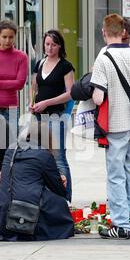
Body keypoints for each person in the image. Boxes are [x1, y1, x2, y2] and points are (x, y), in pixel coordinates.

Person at [90, 13, 130, 239]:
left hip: (115, 125)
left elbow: (98, 98)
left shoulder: (103, 59)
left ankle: (120, 225)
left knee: (116, 175)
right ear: (124, 32)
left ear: (104, 32)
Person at [0, 121, 74, 242]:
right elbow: (58, 189)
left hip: (4, 210)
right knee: (59, 202)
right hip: (27, 210)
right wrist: (62, 181)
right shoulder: (44, 155)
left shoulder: (11, 150)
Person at [29, 30, 74, 201]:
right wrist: (31, 103)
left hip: (56, 116)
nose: (49, 47)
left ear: (60, 46)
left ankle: (66, 198)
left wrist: (47, 102)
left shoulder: (65, 66)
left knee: (59, 157)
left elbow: (70, 94)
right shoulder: (40, 64)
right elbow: (35, 87)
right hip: (38, 116)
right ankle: (46, 197)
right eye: (47, 44)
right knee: (39, 155)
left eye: (53, 44)